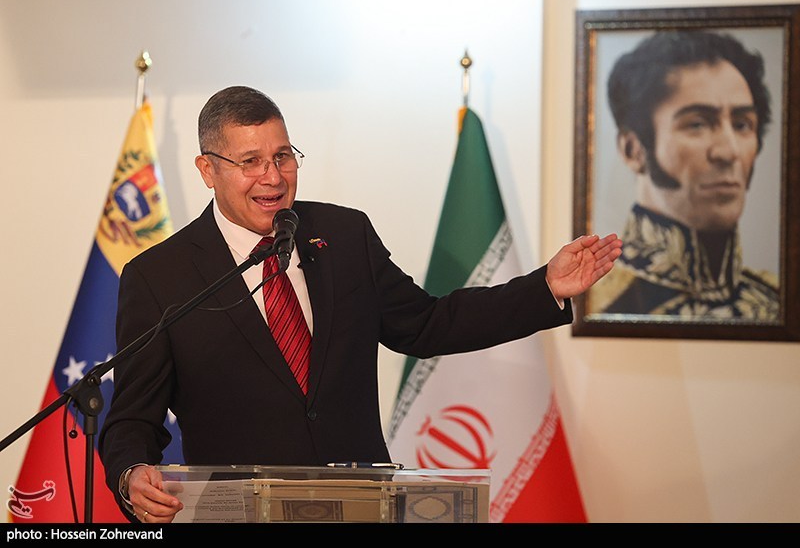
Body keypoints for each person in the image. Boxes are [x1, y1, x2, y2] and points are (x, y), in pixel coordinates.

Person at [98, 85, 622, 523]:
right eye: (250, 162)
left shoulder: (344, 235)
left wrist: (544, 288)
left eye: (283, 156)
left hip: (360, 509)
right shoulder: (159, 277)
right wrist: (130, 474)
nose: (273, 177)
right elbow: (133, 419)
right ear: (207, 169)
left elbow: (428, 324)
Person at [589, 30, 780, 320]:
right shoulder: (597, 303)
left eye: (742, 124)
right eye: (697, 124)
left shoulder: (776, 301)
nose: (729, 152)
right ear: (633, 150)